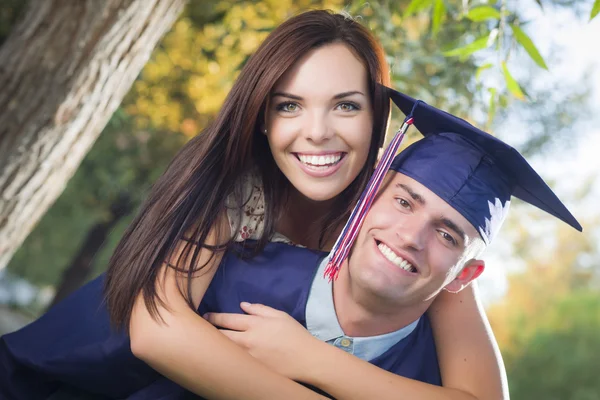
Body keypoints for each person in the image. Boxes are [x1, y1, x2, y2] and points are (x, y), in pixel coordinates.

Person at [0, 10, 506, 400]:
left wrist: (313, 360)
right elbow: (158, 330)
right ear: (263, 117)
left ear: (377, 122)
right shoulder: (236, 185)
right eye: (289, 105)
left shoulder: (405, 219)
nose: (317, 132)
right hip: (76, 372)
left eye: (346, 106)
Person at [115, 87, 583, 399]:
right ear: (366, 199)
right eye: (404, 202)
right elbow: (115, 342)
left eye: (446, 234)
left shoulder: (433, 367)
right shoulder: (228, 275)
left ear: (464, 274)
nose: (411, 236)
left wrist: (312, 360)